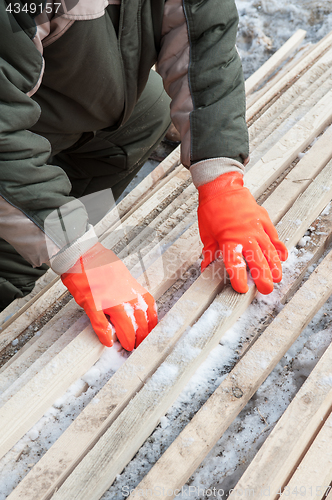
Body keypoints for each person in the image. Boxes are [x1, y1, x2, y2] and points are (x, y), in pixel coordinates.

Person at [0, 0, 288, 350]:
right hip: (10, 124)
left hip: (53, 107)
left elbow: (202, 33)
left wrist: (221, 181)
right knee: (21, 256)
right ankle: (13, 263)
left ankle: (38, 234)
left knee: (146, 116)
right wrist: (77, 253)